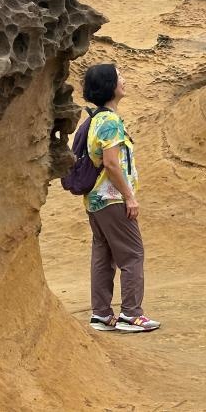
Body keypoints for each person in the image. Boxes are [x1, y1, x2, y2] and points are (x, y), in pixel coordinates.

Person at [81, 64, 160, 333]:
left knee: (103, 255)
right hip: (112, 198)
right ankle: (131, 315)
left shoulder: (96, 119)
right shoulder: (111, 122)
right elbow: (111, 163)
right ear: (109, 85)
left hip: (96, 200)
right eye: (119, 77)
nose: (123, 80)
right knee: (132, 254)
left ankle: (102, 314)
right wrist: (129, 197)